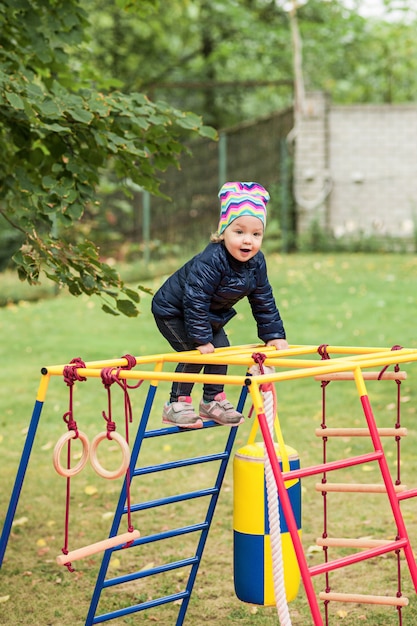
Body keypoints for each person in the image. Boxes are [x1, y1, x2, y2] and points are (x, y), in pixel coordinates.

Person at [151, 181, 289, 429]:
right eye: (239, 232)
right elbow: (195, 299)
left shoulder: (256, 263)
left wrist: (274, 335)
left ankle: (212, 401)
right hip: (173, 311)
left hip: (206, 313)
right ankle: (176, 404)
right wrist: (202, 339)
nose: (248, 241)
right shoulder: (212, 260)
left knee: (222, 350)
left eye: (256, 234)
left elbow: (263, 299)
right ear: (223, 231)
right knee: (193, 353)